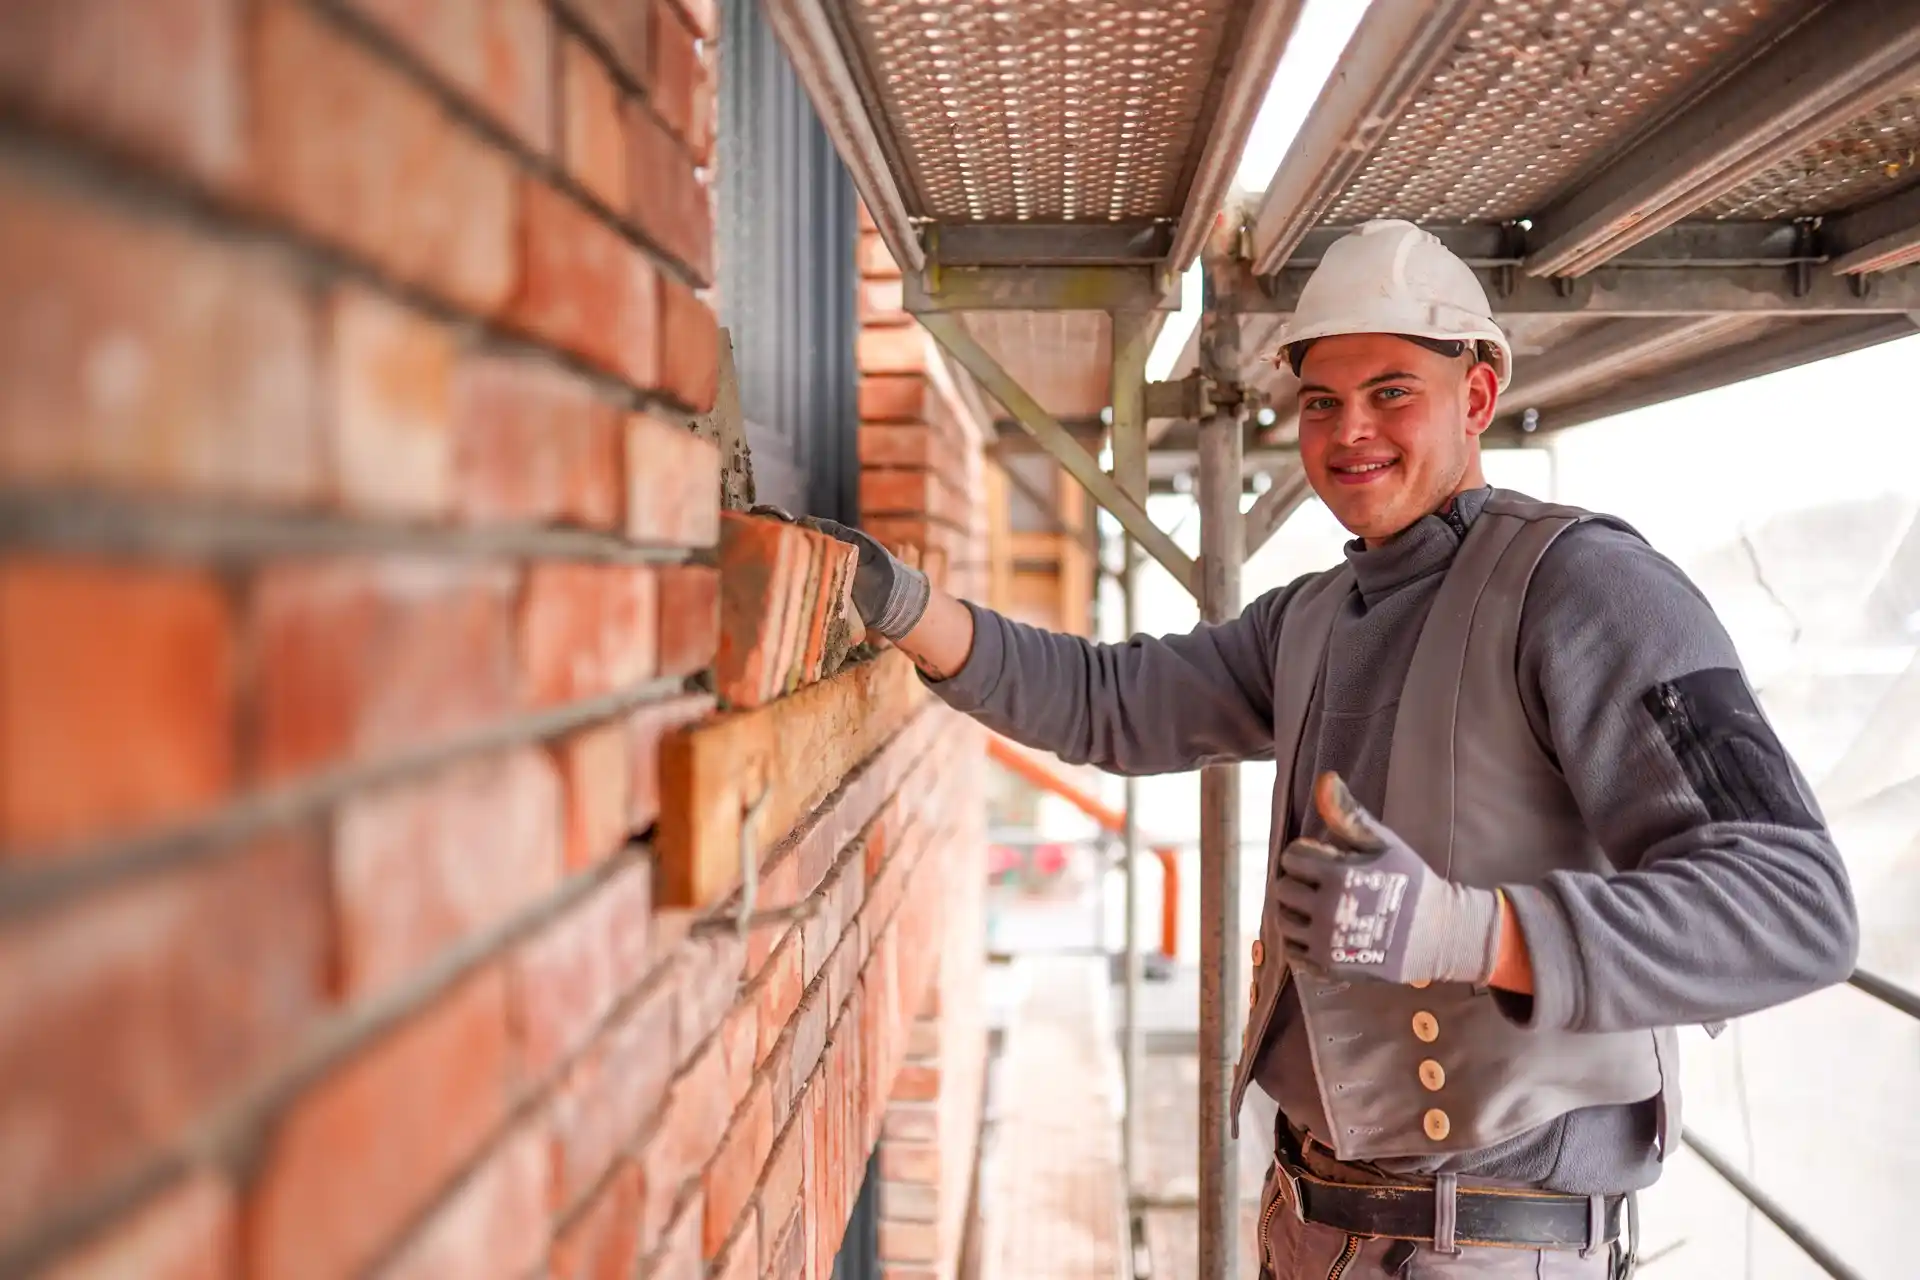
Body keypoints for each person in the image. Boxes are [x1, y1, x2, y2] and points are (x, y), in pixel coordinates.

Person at [774, 219, 1859, 1277]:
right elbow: (1115, 701)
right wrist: (905, 604)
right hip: (1312, 1222)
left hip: (1487, 1244)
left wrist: (1464, 930)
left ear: (1476, 395)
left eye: (1392, 392)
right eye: (1322, 401)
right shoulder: (1311, 618)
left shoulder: (1588, 590)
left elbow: (1795, 904)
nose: (1350, 433)